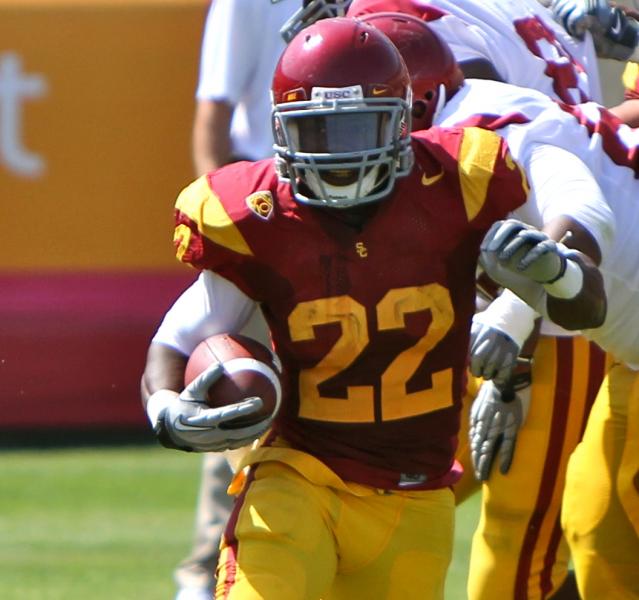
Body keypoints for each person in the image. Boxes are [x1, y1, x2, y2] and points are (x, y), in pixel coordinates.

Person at [141, 17, 609, 600]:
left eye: (359, 128)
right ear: (283, 132)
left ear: (405, 121)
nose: (341, 157)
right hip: (299, 479)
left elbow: (576, 303)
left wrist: (532, 312)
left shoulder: (459, 184)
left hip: (416, 496)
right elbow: (183, 333)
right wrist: (166, 407)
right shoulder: (263, 216)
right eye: (320, 133)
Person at [347, 3, 609, 598]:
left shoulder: (411, 36)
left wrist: (511, 363)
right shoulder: (531, 10)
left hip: (563, 310)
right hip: (520, 300)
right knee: (370, 488)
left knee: (535, 537)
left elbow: (499, 192)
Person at [176, 2, 297, 599]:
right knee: (237, 377)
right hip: (269, 205)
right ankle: (206, 568)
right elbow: (213, 114)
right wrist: (223, 231)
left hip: (360, 209)